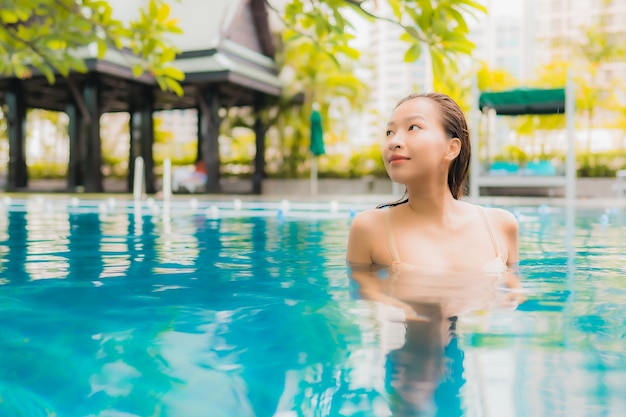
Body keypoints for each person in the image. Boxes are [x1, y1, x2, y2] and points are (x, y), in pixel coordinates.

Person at [346, 92, 523, 415]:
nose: (394, 142)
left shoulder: (501, 226)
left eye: (413, 128)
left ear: (451, 148)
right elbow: (362, 290)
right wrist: (400, 307)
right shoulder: (368, 228)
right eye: (389, 132)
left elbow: (514, 293)